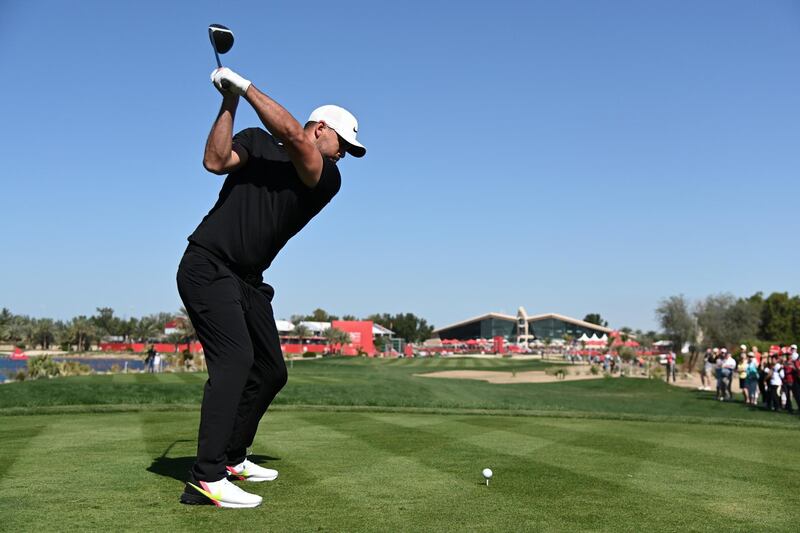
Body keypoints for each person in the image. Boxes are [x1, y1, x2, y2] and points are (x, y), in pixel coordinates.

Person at [176, 67, 366, 508]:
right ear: (322, 129)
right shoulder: (258, 143)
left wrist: (244, 85)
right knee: (236, 361)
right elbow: (215, 161)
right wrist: (229, 100)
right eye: (343, 146)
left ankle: (231, 457)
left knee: (271, 372)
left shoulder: (326, 177)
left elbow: (296, 141)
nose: (343, 157)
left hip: (248, 281)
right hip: (207, 264)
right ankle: (206, 479)